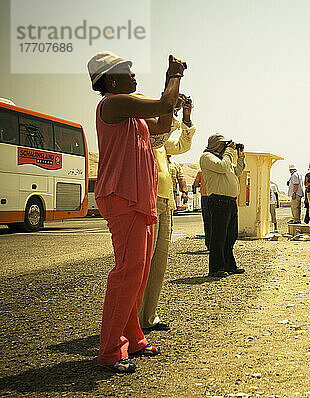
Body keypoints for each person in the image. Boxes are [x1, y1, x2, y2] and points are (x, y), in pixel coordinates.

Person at [87, 51, 186, 373]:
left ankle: (133, 336)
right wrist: (173, 76)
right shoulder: (113, 104)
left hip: (140, 197)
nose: (133, 76)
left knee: (138, 273)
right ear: (111, 79)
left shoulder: (131, 114)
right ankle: (110, 350)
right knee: (127, 273)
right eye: (127, 72)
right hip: (122, 196)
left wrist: (175, 105)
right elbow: (162, 105)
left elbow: (162, 125)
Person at [138, 94, 195, 333]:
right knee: (142, 262)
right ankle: (133, 318)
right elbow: (164, 131)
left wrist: (187, 117)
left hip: (165, 202)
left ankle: (148, 317)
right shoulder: (141, 136)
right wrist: (171, 108)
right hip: (147, 201)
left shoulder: (161, 144)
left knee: (159, 262)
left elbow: (182, 145)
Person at [199, 134, 246, 277]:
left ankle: (229, 265)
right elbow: (222, 167)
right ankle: (216, 267)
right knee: (218, 236)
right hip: (218, 201)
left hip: (230, 202)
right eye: (223, 144)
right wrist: (229, 152)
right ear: (215, 144)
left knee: (230, 236)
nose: (225, 147)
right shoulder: (207, 157)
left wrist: (240, 156)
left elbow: (238, 171)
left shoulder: (224, 159)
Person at [193, 170, 210, 252]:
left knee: (207, 221)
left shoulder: (201, 172)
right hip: (216, 196)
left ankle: (208, 243)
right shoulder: (216, 169)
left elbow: (195, 184)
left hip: (205, 197)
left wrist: (202, 184)